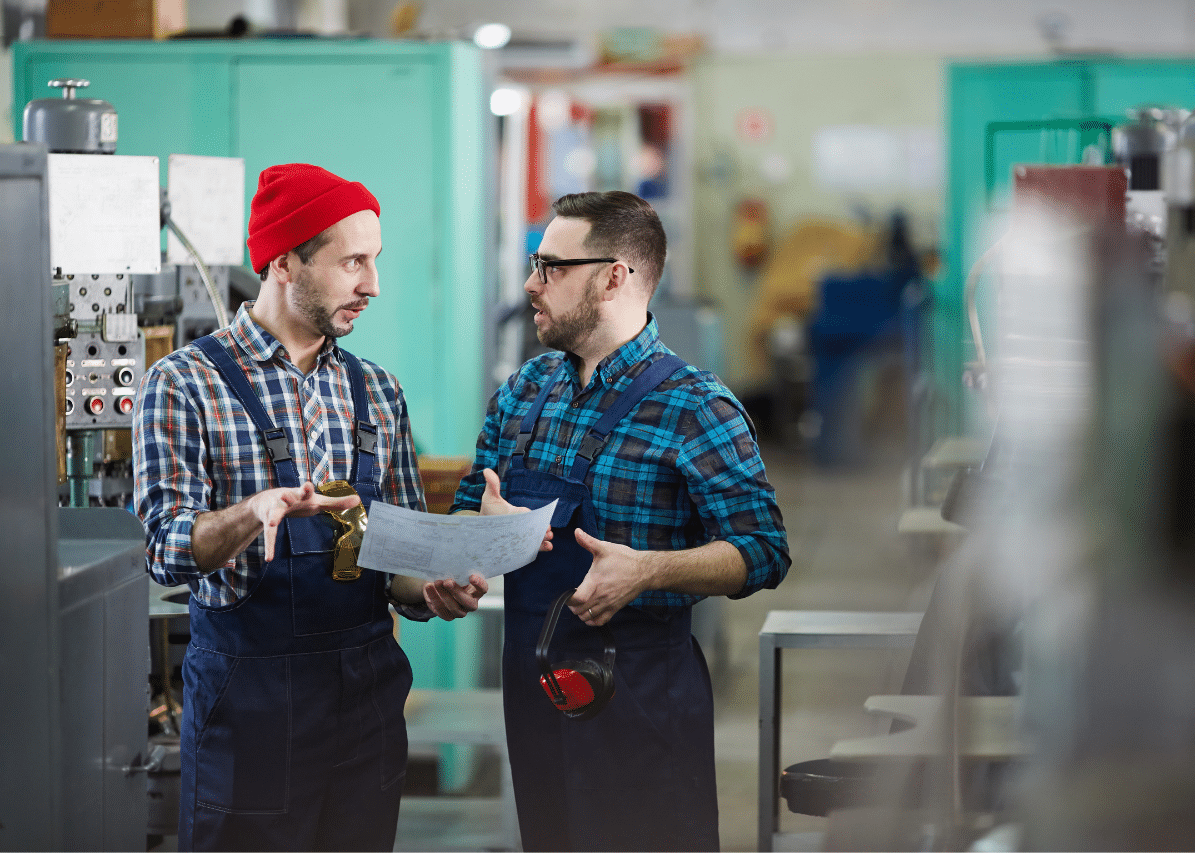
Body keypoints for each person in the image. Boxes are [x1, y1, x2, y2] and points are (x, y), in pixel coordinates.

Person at [133, 163, 496, 851]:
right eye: (352, 261)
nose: (373, 284)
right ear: (283, 259)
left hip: (366, 706)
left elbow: (398, 559)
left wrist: (438, 584)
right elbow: (163, 549)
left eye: (376, 260)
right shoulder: (184, 384)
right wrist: (252, 512)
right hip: (250, 710)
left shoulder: (377, 393)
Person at [450, 190, 791, 851]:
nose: (531, 283)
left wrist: (653, 569)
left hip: (641, 710)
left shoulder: (695, 406)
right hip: (537, 696)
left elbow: (765, 549)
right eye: (534, 263)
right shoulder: (524, 393)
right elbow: (470, 504)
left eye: (552, 266)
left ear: (614, 277)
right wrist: (482, 525)